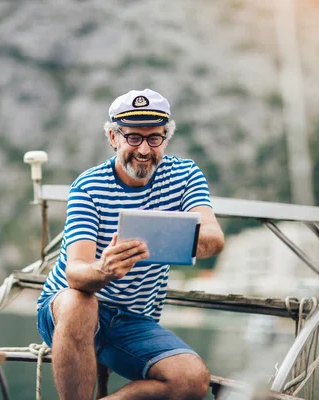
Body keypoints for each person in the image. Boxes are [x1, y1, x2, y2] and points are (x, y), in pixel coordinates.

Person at [36, 88, 225, 400]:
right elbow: (76, 273)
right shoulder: (88, 186)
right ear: (113, 138)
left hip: (132, 319)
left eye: (155, 138)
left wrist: (171, 235)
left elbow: (214, 239)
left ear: (166, 137)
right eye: (133, 138)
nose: (144, 149)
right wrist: (105, 269)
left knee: (191, 380)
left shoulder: (185, 175)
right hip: (66, 312)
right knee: (81, 301)